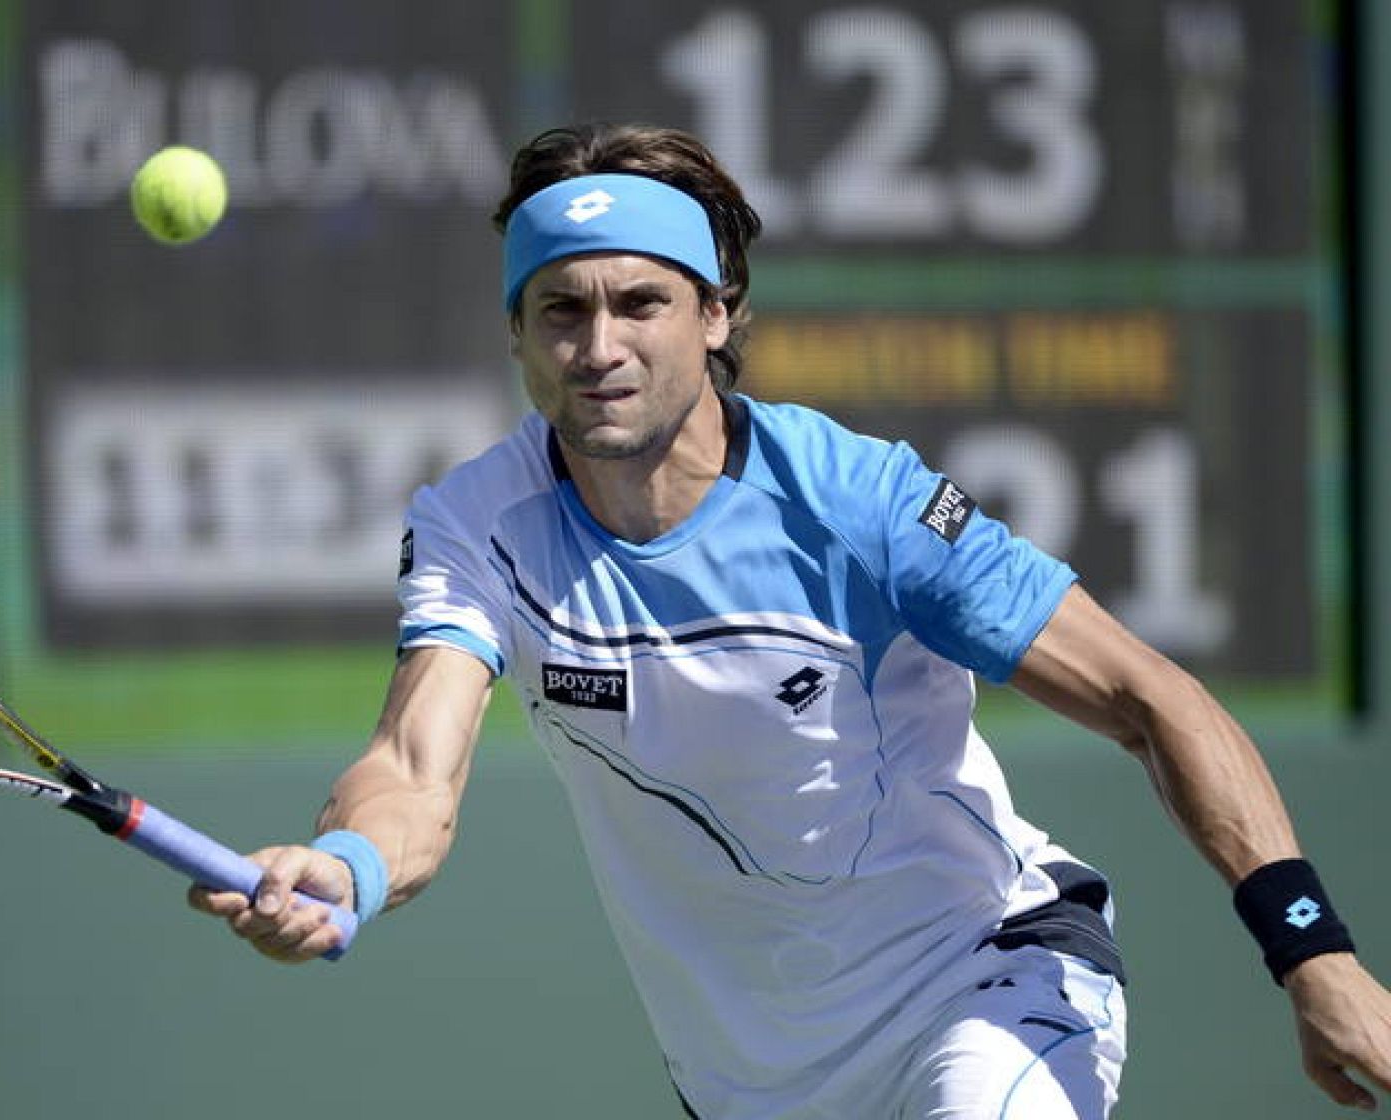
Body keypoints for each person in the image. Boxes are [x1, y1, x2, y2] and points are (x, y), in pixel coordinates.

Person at [190, 122, 1391, 1117]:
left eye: (639, 304)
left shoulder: (861, 502)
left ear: (715, 316)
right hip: (744, 1080)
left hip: (982, 983)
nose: (598, 347)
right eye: (559, 310)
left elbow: (1147, 696)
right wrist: (341, 866)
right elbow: (412, 767)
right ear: (515, 335)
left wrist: (1313, 951)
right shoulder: (476, 524)